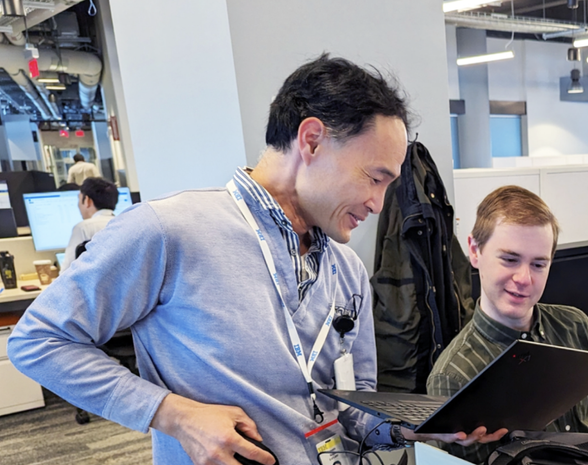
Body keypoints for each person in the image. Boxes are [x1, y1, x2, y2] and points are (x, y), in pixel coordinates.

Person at [8, 55, 494, 465]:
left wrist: (415, 427)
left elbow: (353, 410)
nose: (379, 203)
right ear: (311, 140)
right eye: (374, 177)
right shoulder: (168, 230)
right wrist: (174, 415)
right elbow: (38, 340)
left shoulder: (346, 270)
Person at [427, 186, 588, 465]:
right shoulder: (454, 376)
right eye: (510, 259)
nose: (524, 278)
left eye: (538, 265)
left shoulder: (575, 326)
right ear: (474, 251)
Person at [61, 177, 119, 270]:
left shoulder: (83, 228)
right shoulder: (124, 223)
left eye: (79, 199)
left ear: (87, 201)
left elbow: (67, 271)